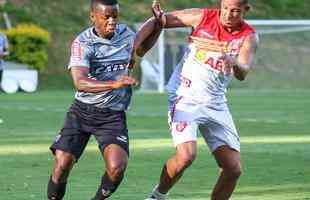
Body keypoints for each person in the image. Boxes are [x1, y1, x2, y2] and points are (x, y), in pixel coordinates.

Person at [47, 0, 163, 199]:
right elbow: (80, 82)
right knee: (62, 164)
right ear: (93, 17)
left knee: (117, 168)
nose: (112, 21)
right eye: (106, 17)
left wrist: (159, 23)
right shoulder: (82, 43)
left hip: (112, 116)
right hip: (82, 112)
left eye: (115, 16)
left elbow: (142, 46)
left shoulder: (125, 35)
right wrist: (113, 84)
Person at [146, 0, 258, 199]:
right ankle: (158, 195)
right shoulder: (202, 17)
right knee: (186, 156)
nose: (229, 14)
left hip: (216, 103)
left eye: (235, 11)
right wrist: (134, 49)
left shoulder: (248, 36)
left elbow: (243, 72)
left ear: (245, 10)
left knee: (233, 169)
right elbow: (159, 20)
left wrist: (234, 63)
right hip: (185, 97)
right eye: (225, 9)